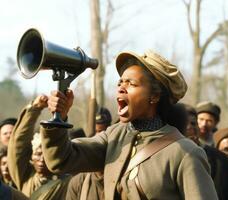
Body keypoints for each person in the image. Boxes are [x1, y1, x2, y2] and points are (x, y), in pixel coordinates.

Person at [41, 50, 218, 200]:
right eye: (120, 82)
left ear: (154, 97)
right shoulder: (113, 137)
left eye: (131, 83)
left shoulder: (185, 153)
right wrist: (60, 118)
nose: (121, 88)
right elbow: (61, 160)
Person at [7, 95, 71, 199]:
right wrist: (35, 108)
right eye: (37, 154)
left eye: (46, 155)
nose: (41, 160)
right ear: (31, 157)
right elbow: (18, 142)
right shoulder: (26, 176)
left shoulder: (66, 181)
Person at [181, 103, 228, 200]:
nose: (189, 127)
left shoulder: (219, 159)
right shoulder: (167, 156)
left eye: (193, 123)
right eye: (184, 123)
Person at [66, 107, 112, 200]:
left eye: (102, 132)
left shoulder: (121, 177)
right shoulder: (78, 183)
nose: (97, 136)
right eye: (95, 132)